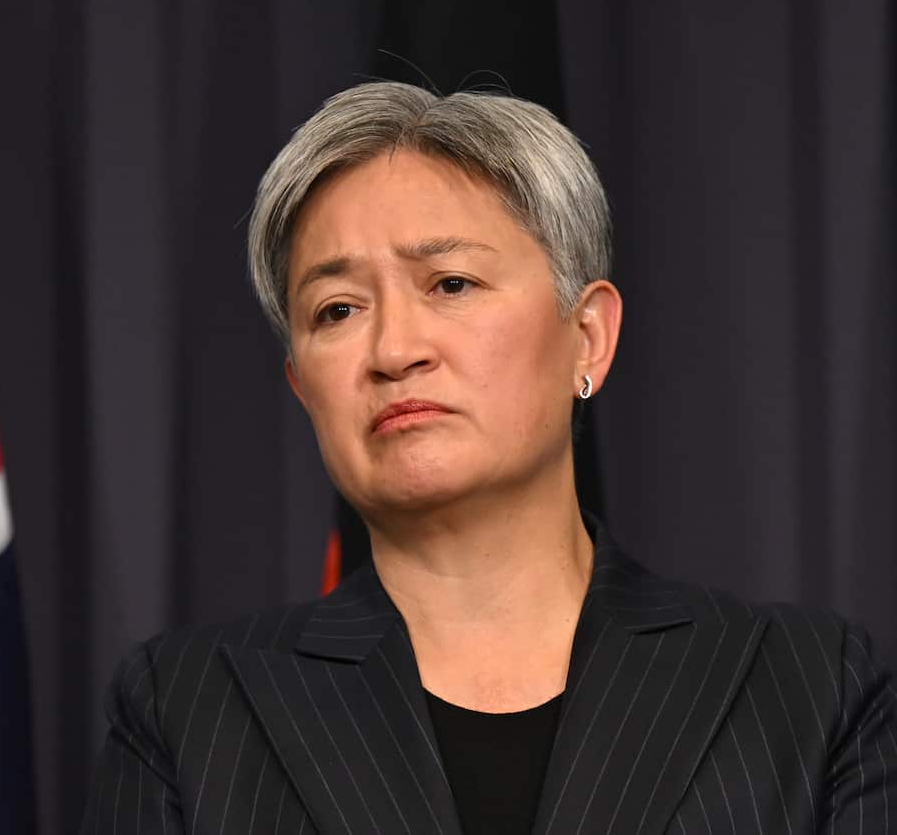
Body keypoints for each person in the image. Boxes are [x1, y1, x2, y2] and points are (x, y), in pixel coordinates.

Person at [81, 81, 897, 834]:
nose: (394, 349)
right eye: (337, 308)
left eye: (451, 284)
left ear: (588, 336)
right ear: (302, 385)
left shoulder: (809, 687)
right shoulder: (186, 709)